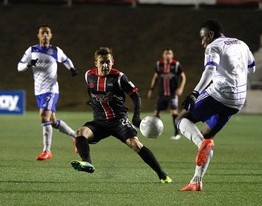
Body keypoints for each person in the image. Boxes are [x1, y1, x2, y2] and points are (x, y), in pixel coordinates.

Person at [71, 47, 172, 183]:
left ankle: (162, 175)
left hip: (118, 121)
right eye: (102, 62)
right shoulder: (88, 75)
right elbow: (91, 90)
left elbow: (136, 96)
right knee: (80, 133)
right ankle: (87, 163)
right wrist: (93, 101)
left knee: (135, 144)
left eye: (108, 62)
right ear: (96, 63)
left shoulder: (119, 78)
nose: (105, 65)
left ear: (113, 62)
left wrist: (136, 117)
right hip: (100, 122)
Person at [177, 19, 256, 191]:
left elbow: (210, 70)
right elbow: (252, 68)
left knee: (182, 119)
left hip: (220, 93)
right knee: (206, 135)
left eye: (203, 38)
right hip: (238, 100)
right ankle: (196, 181)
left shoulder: (213, 47)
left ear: (210, 35)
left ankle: (201, 146)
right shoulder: (241, 44)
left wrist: (195, 93)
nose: (202, 42)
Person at [17, 25, 78, 161]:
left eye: (47, 33)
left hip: (51, 89)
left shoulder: (55, 50)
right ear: (38, 35)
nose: (45, 35)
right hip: (38, 91)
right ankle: (76, 137)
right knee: (52, 121)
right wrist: (28, 64)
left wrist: (72, 69)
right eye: (42, 33)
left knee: (44, 117)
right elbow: (19, 66)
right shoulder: (31, 50)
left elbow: (66, 60)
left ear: (50, 36)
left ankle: (47, 151)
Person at [147, 48, 186, 140]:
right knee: (156, 112)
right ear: (163, 55)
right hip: (161, 93)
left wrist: (181, 88)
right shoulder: (159, 64)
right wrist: (151, 89)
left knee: (174, 112)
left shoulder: (176, 65)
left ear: (172, 55)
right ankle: (156, 131)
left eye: (170, 54)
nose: (168, 55)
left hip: (173, 93)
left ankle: (177, 134)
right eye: (166, 54)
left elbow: (183, 77)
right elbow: (155, 77)